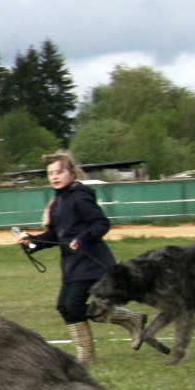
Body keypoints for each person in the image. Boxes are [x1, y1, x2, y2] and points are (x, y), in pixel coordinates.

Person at [16, 151, 146, 362]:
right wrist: (32, 243)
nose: (54, 177)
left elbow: (101, 224)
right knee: (65, 307)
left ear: (72, 173)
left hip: (91, 262)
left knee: (74, 306)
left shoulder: (80, 196)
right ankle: (92, 350)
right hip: (72, 265)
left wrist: (82, 238)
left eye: (59, 172)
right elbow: (55, 235)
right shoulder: (59, 200)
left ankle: (119, 328)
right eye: (51, 173)